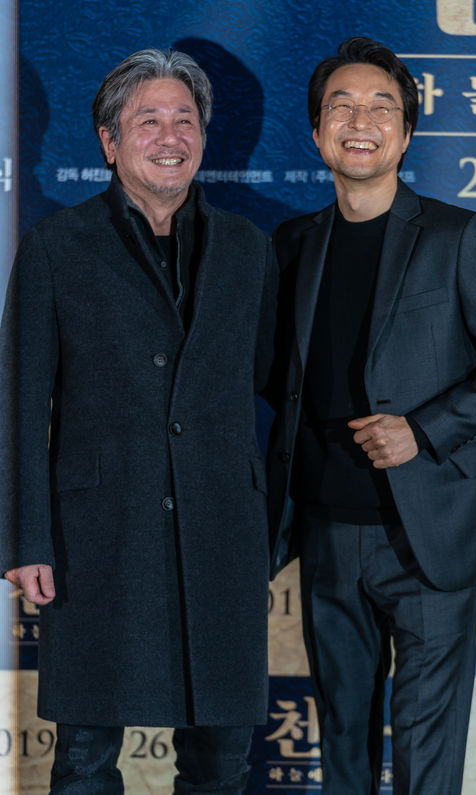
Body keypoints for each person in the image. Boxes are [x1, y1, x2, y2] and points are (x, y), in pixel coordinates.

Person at [1, 49, 276, 794]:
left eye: (185, 119)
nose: (169, 136)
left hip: (222, 536)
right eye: (148, 119)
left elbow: (276, 389)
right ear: (109, 140)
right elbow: (19, 400)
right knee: (86, 761)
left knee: (221, 763)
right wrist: (26, 538)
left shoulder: (248, 248)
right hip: (98, 537)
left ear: (204, 137)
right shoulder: (57, 246)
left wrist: (271, 520)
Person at [266, 36, 476, 795]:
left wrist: (424, 429)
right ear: (317, 131)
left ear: (407, 132)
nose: (361, 121)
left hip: (431, 533)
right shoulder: (293, 243)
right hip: (325, 533)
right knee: (343, 741)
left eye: (381, 106)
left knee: (425, 747)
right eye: (341, 106)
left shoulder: (456, 235)